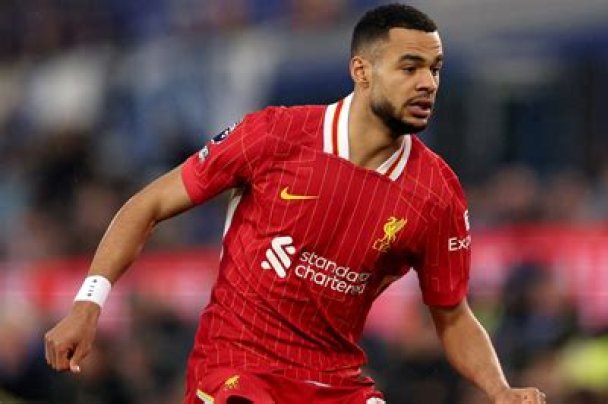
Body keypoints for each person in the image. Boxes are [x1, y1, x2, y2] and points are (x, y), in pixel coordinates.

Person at [45, 4, 546, 404]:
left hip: (336, 384)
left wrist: (499, 390)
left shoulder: (437, 194)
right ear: (362, 71)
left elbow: (452, 315)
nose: (427, 83)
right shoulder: (276, 135)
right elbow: (148, 204)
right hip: (237, 369)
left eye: (435, 69)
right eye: (410, 67)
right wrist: (88, 304)